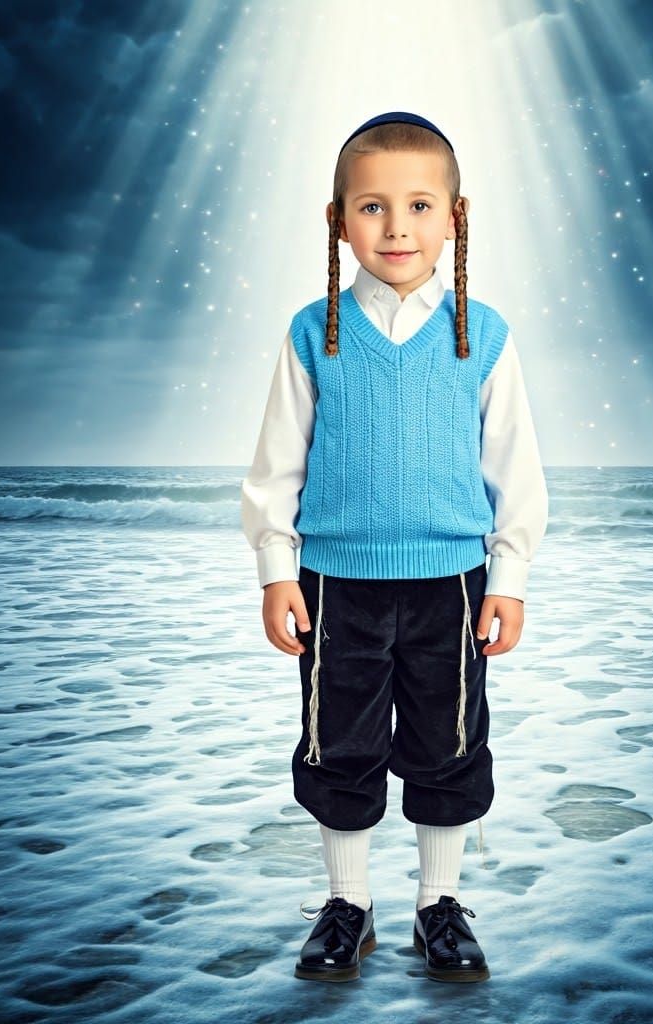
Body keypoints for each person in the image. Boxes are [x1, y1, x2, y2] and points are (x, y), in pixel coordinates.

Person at [240, 111, 548, 984]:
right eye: (372, 206)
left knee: (449, 743)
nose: (397, 227)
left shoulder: (482, 335)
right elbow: (277, 464)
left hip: (453, 583)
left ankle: (437, 905)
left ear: (456, 217)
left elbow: (513, 466)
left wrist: (510, 575)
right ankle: (348, 905)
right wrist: (274, 568)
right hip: (336, 583)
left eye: (419, 205)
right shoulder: (315, 332)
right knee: (338, 743)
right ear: (338, 220)